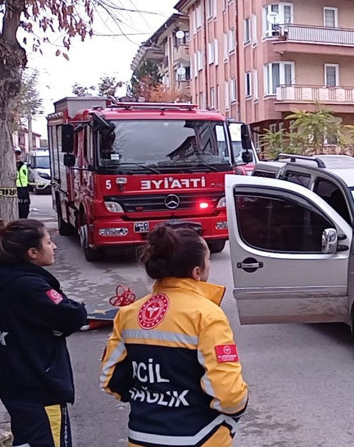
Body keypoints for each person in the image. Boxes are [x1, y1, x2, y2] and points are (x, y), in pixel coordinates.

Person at [100, 225, 249, 446]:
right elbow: (229, 395)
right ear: (197, 272)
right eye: (208, 260)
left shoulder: (128, 314)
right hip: (199, 437)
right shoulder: (206, 315)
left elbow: (110, 380)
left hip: (141, 436)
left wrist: (152, 401)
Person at [0, 219, 88, 446]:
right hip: (40, 389)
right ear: (32, 252)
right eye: (48, 242)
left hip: (14, 383)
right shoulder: (30, 287)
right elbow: (73, 316)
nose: (55, 247)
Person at [15, 148, 30, 219]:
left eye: (18, 154)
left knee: (25, 208)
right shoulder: (10, 165)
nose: (17, 156)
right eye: (15, 154)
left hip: (24, 189)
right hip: (16, 189)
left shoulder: (24, 165)